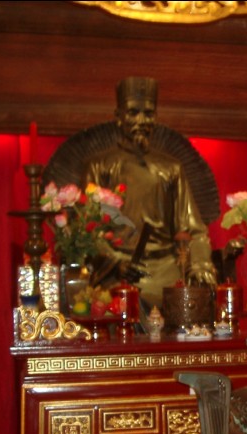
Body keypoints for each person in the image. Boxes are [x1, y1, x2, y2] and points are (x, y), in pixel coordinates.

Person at [83, 76, 216, 308]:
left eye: (149, 113)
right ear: (118, 116)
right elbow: (89, 230)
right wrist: (117, 264)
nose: (142, 120)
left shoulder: (171, 168)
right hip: (118, 271)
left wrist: (201, 266)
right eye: (133, 112)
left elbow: (194, 230)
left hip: (165, 268)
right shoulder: (100, 166)